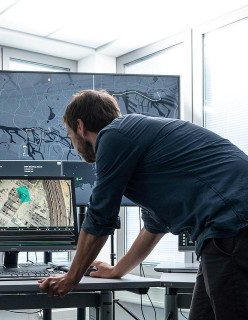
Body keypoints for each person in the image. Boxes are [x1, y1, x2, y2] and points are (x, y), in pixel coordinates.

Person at [38, 89, 248, 320]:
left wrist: (71, 278)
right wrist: (118, 270)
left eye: (69, 135)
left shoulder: (113, 135)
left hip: (233, 226)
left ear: (80, 126)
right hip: (227, 229)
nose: (74, 145)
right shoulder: (136, 138)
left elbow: (100, 216)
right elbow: (155, 225)